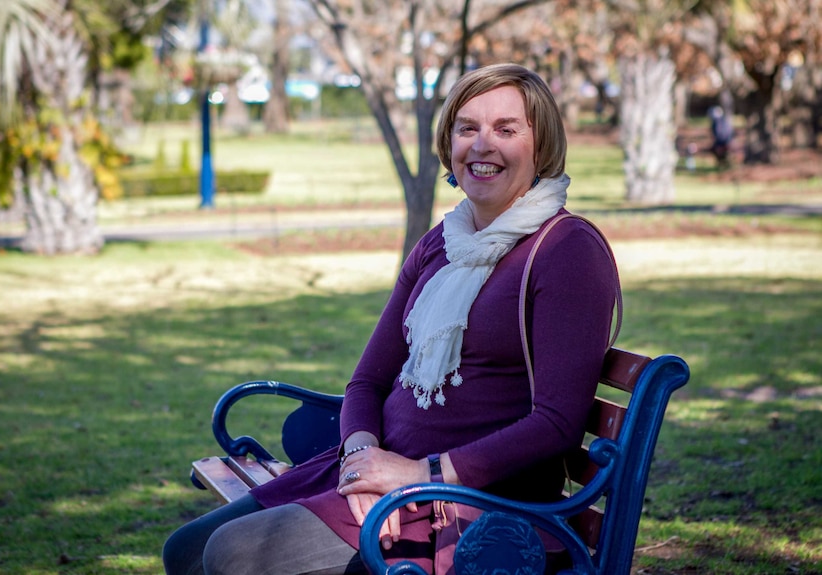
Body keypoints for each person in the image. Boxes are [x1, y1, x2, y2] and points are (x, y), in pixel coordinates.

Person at [162, 63, 620, 575]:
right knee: (183, 550)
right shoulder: (441, 242)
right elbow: (369, 380)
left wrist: (416, 475)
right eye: (467, 128)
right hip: (384, 473)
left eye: (506, 130)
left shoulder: (566, 249)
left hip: (476, 507)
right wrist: (362, 462)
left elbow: (555, 425)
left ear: (543, 147)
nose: (482, 144)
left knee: (232, 554)